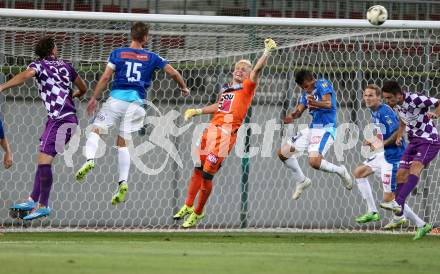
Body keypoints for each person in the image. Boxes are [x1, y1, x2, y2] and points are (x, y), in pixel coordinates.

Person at [75, 22, 189, 205]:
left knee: (96, 130)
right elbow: (173, 73)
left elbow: (105, 77)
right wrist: (184, 87)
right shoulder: (152, 57)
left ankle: (89, 159)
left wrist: (94, 98)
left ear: (131, 35)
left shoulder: (117, 53)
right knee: (123, 143)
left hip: (116, 101)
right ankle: (123, 182)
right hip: (136, 104)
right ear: (145, 38)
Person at [173, 38, 277, 228]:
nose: (240, 71)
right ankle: (188, 206)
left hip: (225, 136)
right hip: (210, 131)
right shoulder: (226, 89)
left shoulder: (248, 87)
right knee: (197, 169)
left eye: (244, 70)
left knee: (207, 175)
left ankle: (198, 212)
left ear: (248, 75)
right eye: (238, 68)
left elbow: (257, 71)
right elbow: (219, 106)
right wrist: (197, 111)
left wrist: (266, 53)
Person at [2, 36, 87, 220]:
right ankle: (34, 200)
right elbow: (83, 87)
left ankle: (42, 204)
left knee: (43, 161)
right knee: (43, 159)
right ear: (53, 50)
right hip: (68, 119)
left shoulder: (38, 65)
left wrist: (2, 86)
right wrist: (74, 95)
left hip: (59, 119)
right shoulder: (67, 66)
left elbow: (25, 75)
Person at [353, 84, 426, 231]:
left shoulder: (384, 111)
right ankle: (373, 212)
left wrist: (380, 144)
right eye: (366, 95)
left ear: (379, 98)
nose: (367, 98)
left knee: (389, 200)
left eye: (371, 95)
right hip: (386, 154)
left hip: (395, 158)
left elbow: (396, 133)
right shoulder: (374, 111)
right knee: (359, 172)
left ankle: (418, 223)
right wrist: (373, 140)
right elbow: (384, 132)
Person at [278, 69, 352, 201]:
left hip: (326, 129)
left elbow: (328, 104)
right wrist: (293, 116)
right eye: (302, 87)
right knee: (283, 153)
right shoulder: (306, 94)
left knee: (314, 162)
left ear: (312, 80)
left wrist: (314, 103)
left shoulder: (322, 84)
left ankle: (341, 171)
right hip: (312, 129)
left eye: (306, 86)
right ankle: (302, 180)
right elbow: (299, 110)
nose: (306, 89)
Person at [380, 80, 440, 240]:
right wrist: (400, 135)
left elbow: (438, 103)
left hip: (429, 140)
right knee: (400, 175)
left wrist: (436, 114)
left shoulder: (414, 99)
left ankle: (397, 203)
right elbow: (403, 120)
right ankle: (400, 215)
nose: (388, 102)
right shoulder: (397, 105)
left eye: (389, 98)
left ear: (399, 95)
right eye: (385, 99)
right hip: (414, 141)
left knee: (415, 168)